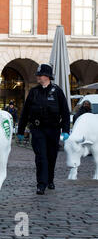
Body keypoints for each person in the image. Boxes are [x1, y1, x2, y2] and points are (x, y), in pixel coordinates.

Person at [17, 64, 70, 195]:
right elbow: (25, 112)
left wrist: (65, 130)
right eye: (38, 75)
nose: (38, 77)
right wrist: (20, 131)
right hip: (38, 129)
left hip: (53, 129)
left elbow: (65, 112)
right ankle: (41, 184)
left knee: (51, 156)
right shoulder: (34, 92)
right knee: (41, 157)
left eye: (40, 75)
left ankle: (50, 179)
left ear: (47, 76)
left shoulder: (57, 91)